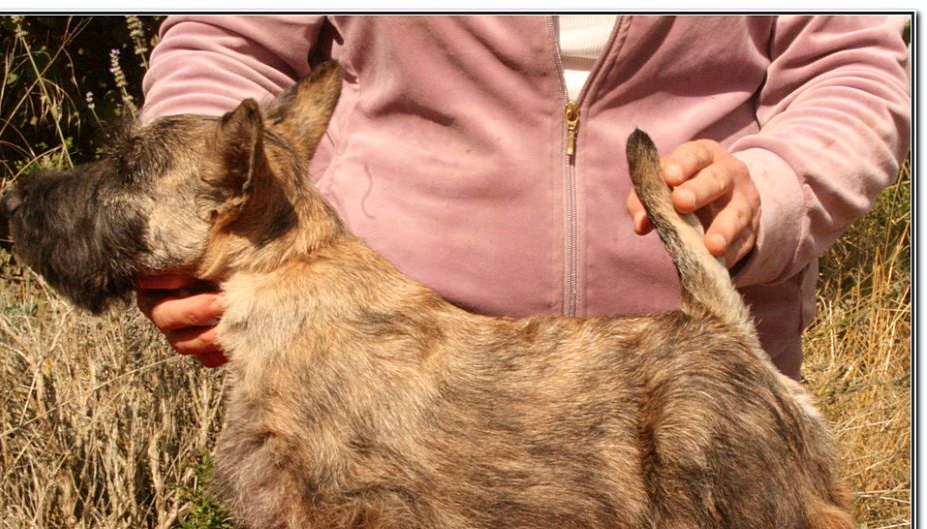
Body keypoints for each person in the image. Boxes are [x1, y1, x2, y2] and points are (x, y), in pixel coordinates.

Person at [134, 15, 910, 379]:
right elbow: (226, 44)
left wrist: (770, 189)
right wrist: (197, 218)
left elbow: (853, 67)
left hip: (700, 396)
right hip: (381, 395)